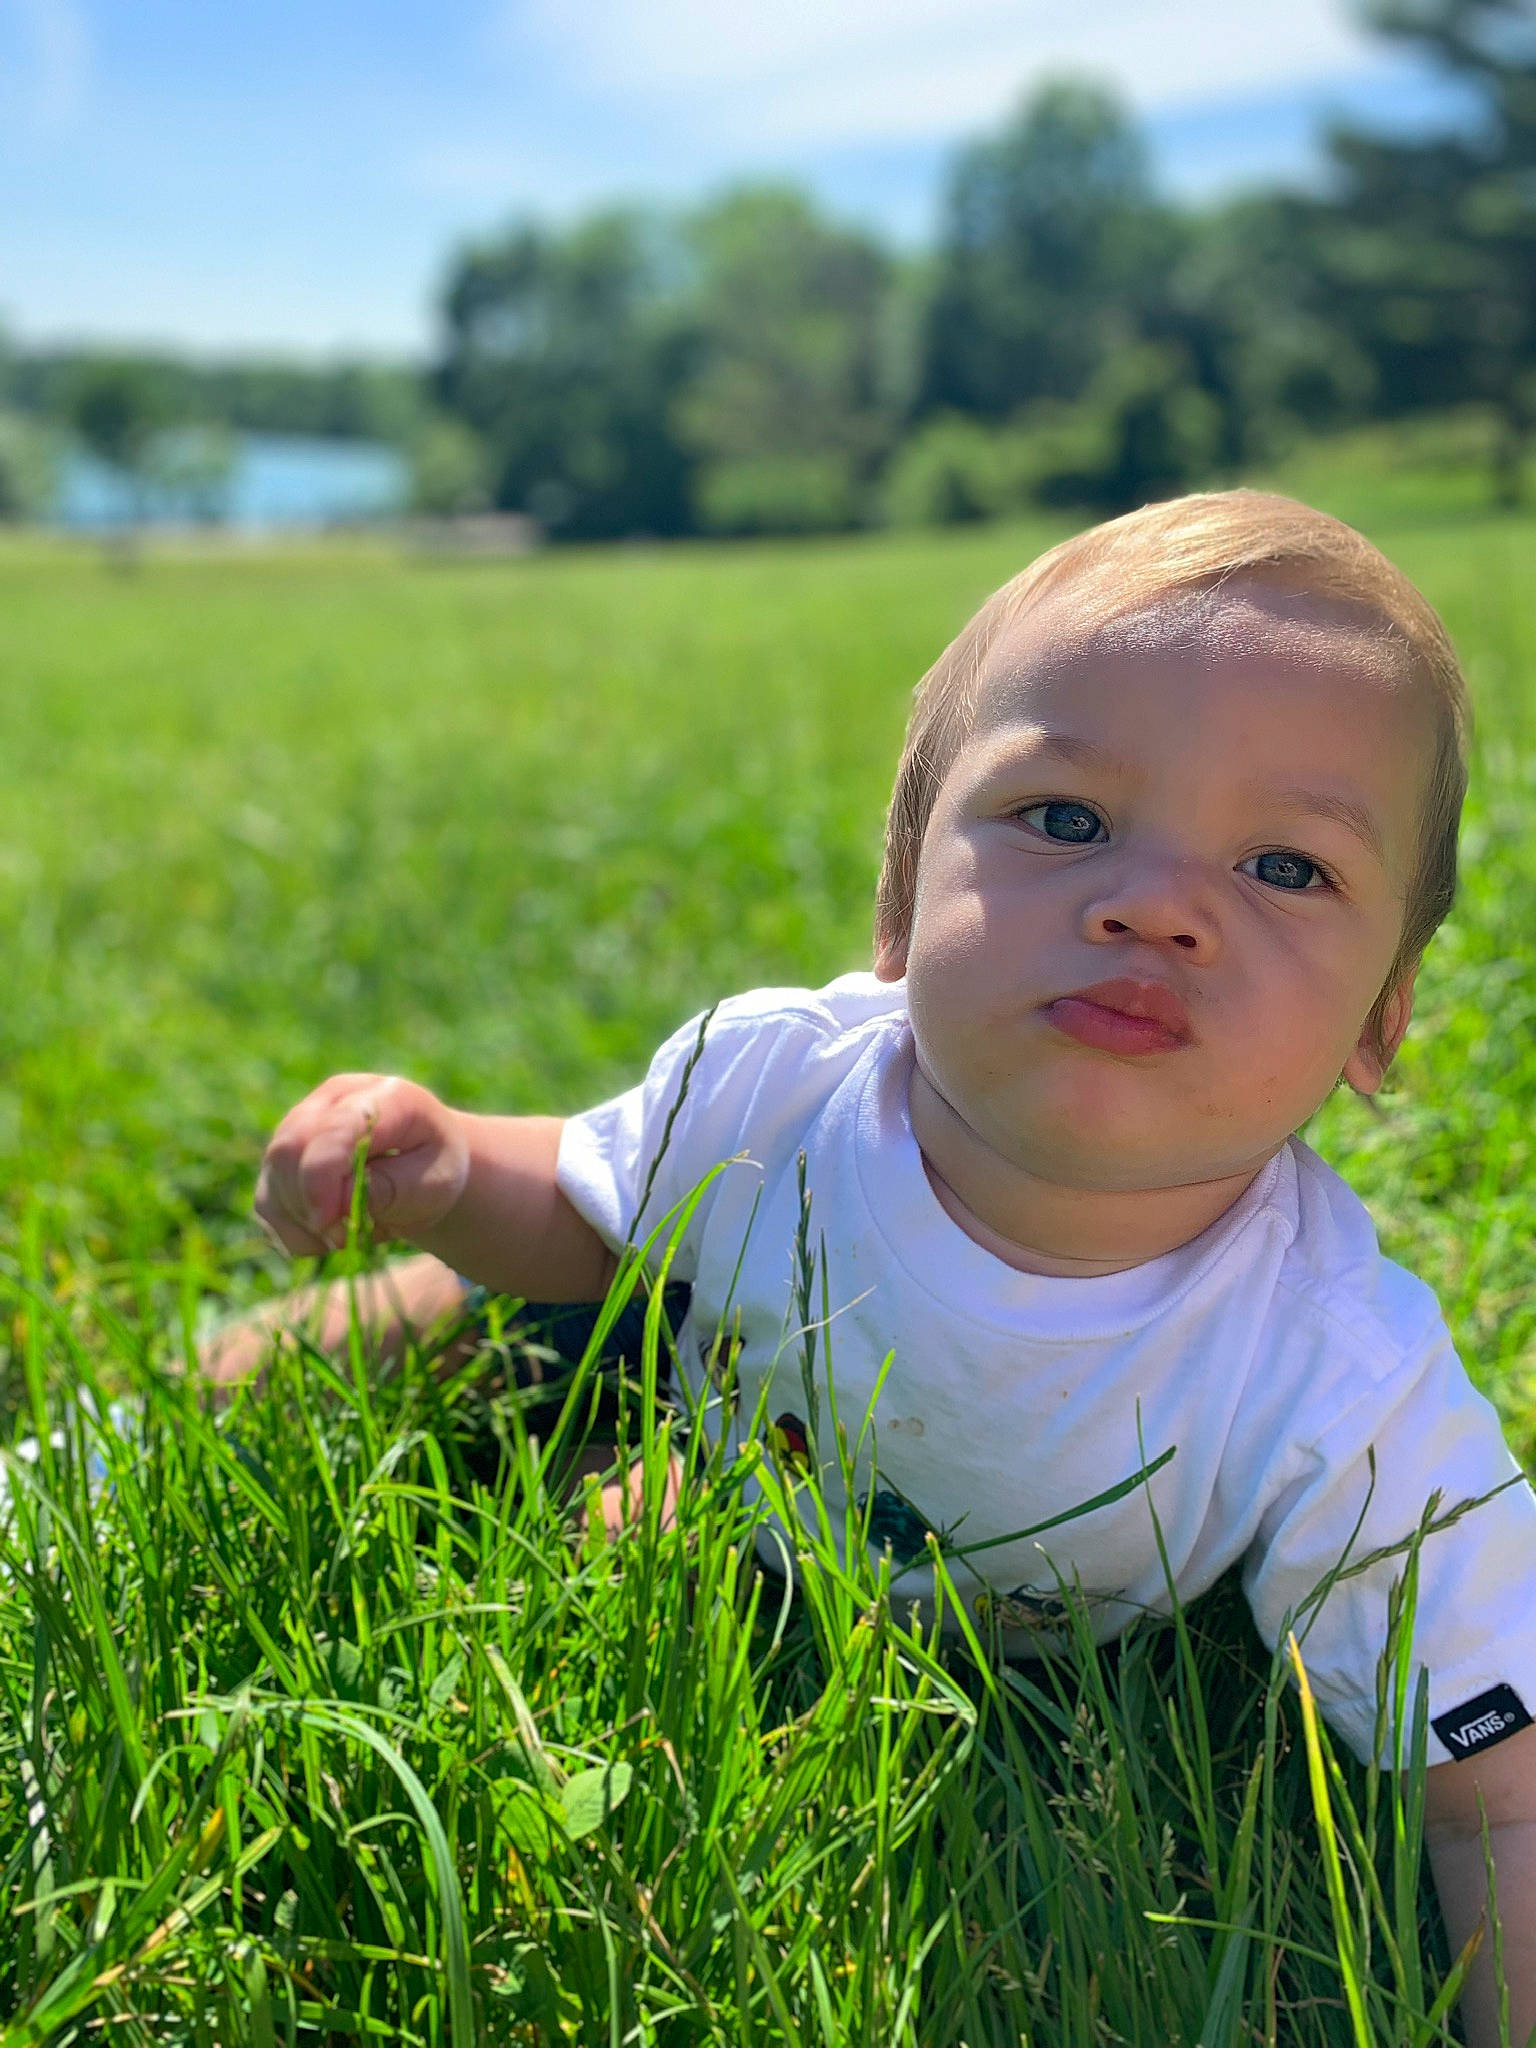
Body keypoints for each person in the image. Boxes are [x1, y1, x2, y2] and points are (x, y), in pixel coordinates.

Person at [237, 490, 1536, 2043]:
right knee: (465, 1303)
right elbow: (589, 1219)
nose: (1154, 906)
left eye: (1284, 866)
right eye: (1065, 821)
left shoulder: (1341, 1383)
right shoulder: (775, 1087)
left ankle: (674, 1498)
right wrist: (450, 1170)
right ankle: (124, 1426)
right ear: (903, 898)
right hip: (743, 1371)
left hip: (1005, 1613)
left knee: (648, 1482)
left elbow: (1496, 1796)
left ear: (1380, 1024)